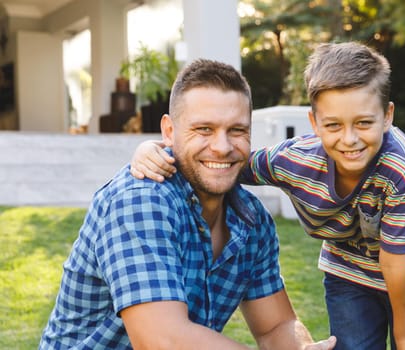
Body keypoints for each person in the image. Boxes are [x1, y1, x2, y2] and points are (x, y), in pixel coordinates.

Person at [130, 41, 405, 350]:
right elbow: (223, 162)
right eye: (333, 125)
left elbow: (395, 260)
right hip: (347, 266)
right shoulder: (294, 161)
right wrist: (156, 149)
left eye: (364, 123)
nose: (350, 139)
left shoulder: (400, 165)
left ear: (388, 116)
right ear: (314, 123)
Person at [39, 59, 337, 350]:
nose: (222, 147)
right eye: (204, 129)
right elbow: (162, 340)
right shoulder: (140, 201)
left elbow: (276, 326)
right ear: (169, 131)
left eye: (236, 130)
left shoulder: (251, 221)